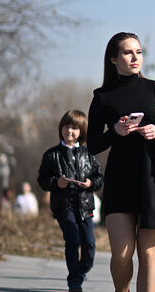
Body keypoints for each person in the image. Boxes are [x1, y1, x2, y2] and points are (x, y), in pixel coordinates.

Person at [88, 31, 155, 292]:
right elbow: (92, 145)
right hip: (120, 180)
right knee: (122, 254)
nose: (135, 57)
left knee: (148, 255)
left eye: (138, 52)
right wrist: (115, 131)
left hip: (153, 180)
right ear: (113, 59)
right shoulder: (102, 97)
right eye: (127, 52)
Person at [37, 110, 105, 292]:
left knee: (89, 244)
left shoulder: (89, 153)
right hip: (64, 206)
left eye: (75, 128)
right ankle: (74, 281)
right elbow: (42, 180)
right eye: (67, 126)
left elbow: (99, 178)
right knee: (73, 240)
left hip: (85, 205)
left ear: (81, 131)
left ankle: (81, 271)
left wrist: (90, 183)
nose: (70, 131)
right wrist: (56, 183)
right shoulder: (51, 155)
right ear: (61, 128)